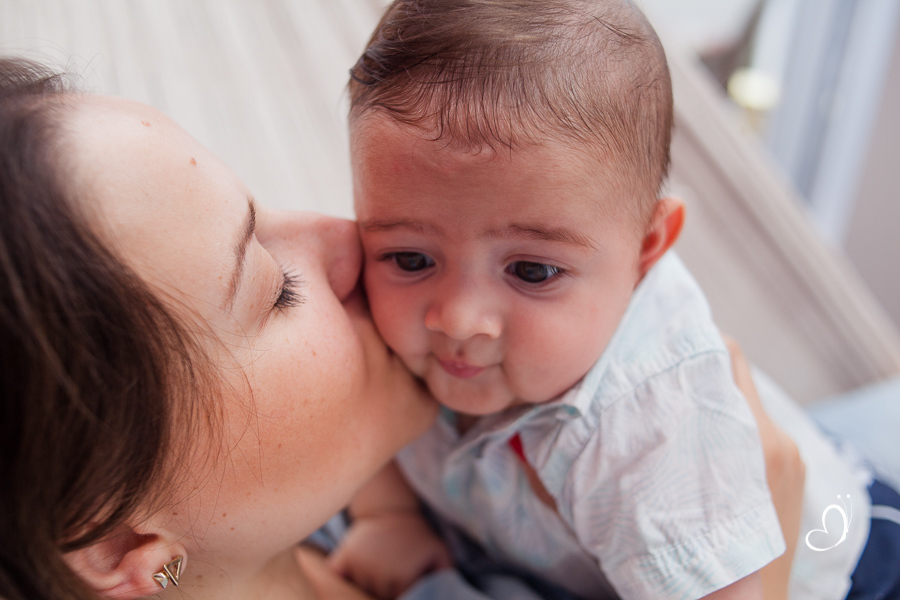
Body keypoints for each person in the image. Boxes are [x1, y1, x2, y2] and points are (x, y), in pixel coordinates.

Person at [0, 56, 803, 600]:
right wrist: (778, 541)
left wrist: (391, 517)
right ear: (118, 546)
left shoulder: (306, 503)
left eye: (263, 209)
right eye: (276, 288)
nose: (349, 237)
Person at [332, 1, 900, 599]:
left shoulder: (653, 424)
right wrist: (388, 515)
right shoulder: (379, 313)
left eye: (531, 271)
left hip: (838, 568)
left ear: (646, 249)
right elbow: (360, 413)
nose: (457, 319)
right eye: (411, 259)